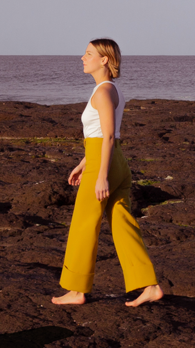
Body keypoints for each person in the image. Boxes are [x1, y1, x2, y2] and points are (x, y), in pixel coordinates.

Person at [52, 39, 164, 307]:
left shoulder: (103, 92)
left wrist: (100, 174)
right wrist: (83, 164)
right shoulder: (111, 90)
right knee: (122, 223)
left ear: (104, 60)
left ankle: (77, 290)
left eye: (88, 53)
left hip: (106, 164)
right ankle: (149, 285)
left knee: (83, 224)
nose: (82, 57)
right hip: (115, 163)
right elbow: (102, 136)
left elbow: (109, 135)